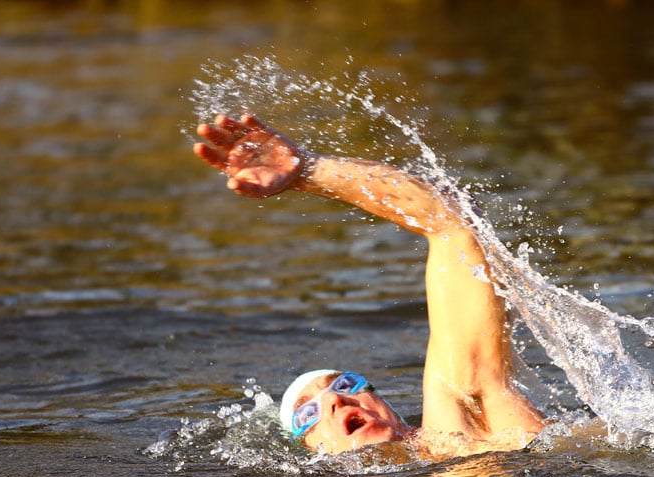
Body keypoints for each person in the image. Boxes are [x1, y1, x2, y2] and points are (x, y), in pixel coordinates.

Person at [192, 113, 545, 457]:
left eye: (345, 384)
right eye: (308, 415)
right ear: (314, 455)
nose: (333, 399)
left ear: (384, 403)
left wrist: (308, 171)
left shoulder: (466, 423)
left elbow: (453, 225)